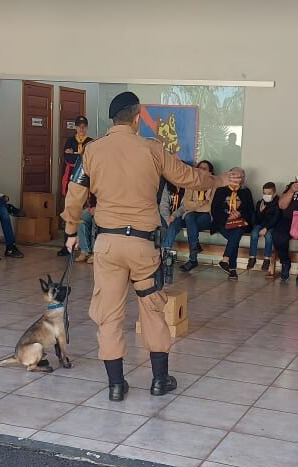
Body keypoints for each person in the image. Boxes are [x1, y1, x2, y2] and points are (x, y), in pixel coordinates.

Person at [61, 91, 231, 402]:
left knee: (108, 315)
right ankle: (159, 380)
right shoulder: (152, 149)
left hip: (108, 245)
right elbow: (189, 178)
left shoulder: (92, 152)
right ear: (137, 118)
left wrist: (71, 231)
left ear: (113, 120)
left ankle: (115, 385)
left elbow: (74, 195)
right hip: (143, 246)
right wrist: (219, 182)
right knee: (152, 310)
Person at [58, 116, 95, 257]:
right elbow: (69, 159)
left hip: (86, 183)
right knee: (70, 212)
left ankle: (85, 247)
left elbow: (87, 162)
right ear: (75, 127)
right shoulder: (70, 141)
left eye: (84, 126)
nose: (81, 128)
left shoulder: (90, 142)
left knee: (85, 213)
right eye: (79, 126)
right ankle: (67, 245)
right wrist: (79, 156)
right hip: (70, 180)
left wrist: (76, 156)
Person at [211, 167, 253, 281]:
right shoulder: (221, 190)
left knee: (237, 232)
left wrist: (239, 213)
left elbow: (250, 211)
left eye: (241, 177)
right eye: (236, 176)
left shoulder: (246, 191)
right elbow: (214, 210)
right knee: (235, 237)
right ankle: (231, 269)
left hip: (239, 222)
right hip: (223, 222)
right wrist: (228, 217)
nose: (239, 179)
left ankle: (227, 261)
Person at [179, 160, 216, 272]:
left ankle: (193, 259)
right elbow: (186, 203)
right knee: (189, 217)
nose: (201, 171)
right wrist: (202, 203)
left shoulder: (214, 185)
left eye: (204, 169)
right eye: (200, 168)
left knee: (190, 221)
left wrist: (195, 205)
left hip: (206, 216)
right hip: (192, 215)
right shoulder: (192, 183)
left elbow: (210, 206)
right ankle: (193, 255)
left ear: (210, 172)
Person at [248, 182, 280, 272]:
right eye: (264, 193)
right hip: (261, 225)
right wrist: (260, 212)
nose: (266, 195)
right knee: (254, 233)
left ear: (274, 193)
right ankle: (252, 257)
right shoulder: (260, 203)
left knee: (269, 236)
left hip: (272, 226)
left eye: (269, 193)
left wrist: (266, 228)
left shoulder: (278, 203)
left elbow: (275, 218)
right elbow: (256, 219)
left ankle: (266, 259)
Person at [158, 181, 185, 252]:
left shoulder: (187, 186)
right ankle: (159, 251)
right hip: (166, 215)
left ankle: (165, 250)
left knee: (173, 226)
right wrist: (167, 218)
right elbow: (163, 204)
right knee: (160, 226)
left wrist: (174, 215)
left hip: (179, 216)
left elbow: (184, 206)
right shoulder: (167, 186)